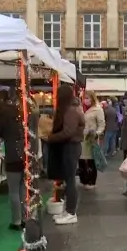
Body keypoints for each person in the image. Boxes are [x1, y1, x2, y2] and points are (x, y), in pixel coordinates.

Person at [0, 92, 27, 230]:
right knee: (22, 189)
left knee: (14, 191)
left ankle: (16, 221)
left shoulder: (1, 117)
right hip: (25, 154)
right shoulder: (19, 114)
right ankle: (24, 218)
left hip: (12, 156)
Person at [47, 85, 85, 225]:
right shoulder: (73, 108)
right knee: (69, 180)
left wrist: (52, 137)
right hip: (71, 146)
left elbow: (68, 132)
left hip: (71, 147)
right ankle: (68, 211)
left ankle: (71, 212)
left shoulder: (70, 111)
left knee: (70, 181)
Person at [79, 91, 105, 190]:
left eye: (88, 98)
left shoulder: (98, 110)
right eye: (84, 98)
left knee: (91, 160)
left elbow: (101, 124)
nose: (86, 100)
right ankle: (83, 179)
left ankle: (91, 181)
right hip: (81, 138)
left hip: (91, 138)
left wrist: (96, 133)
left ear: (92, 98)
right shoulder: (82, 109)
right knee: (81, 159)